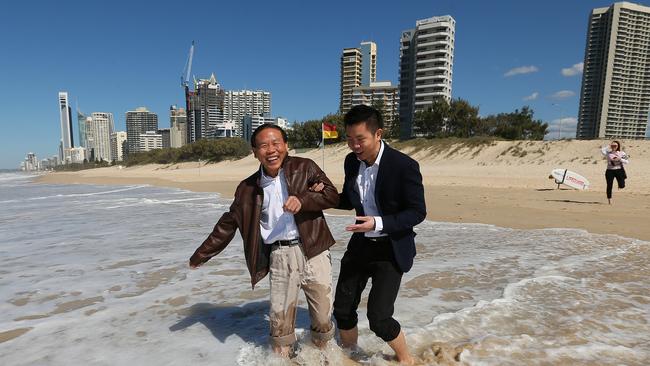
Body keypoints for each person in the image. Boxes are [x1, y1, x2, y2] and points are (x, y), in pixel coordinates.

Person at [189, 123, 339, 357]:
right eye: (264, 145)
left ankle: (320, 357)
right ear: (254, 151)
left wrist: (304, 199)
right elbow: (228, 223)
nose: (271, 150)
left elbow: (332, 195)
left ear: (286, 146)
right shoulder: (247, 188)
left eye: (276, 143)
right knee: (280, 325)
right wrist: (202, 254)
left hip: (315, 249)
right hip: (280, 255)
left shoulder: (306, 167)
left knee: (322, 318)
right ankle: (283, 361)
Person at [332, 105, 426, 365]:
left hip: (391, 248)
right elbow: (348, 199)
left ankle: (406, 359)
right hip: (361, 244)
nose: (354, 146)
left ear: (378, 134)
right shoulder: (352, 161)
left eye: (360, 139)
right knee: (342, 308)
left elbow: (418, 212)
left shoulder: (403, 166)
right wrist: (321, 195)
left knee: (379, 318)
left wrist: (378, 222)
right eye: (349, 139)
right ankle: (351, 356)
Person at [601, 140, 629, 204]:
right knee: (609, 185)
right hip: (609, 171)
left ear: (618, 146)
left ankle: (620, 185)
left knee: (622, 185)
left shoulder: (622, 153)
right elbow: (602, 150)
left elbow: (627, 162)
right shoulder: (608, 153)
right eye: (612, 145)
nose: (614, 147)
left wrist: (620, 159)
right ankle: (609, 199)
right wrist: (609, 145)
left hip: (619, 170)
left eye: (615, 145)